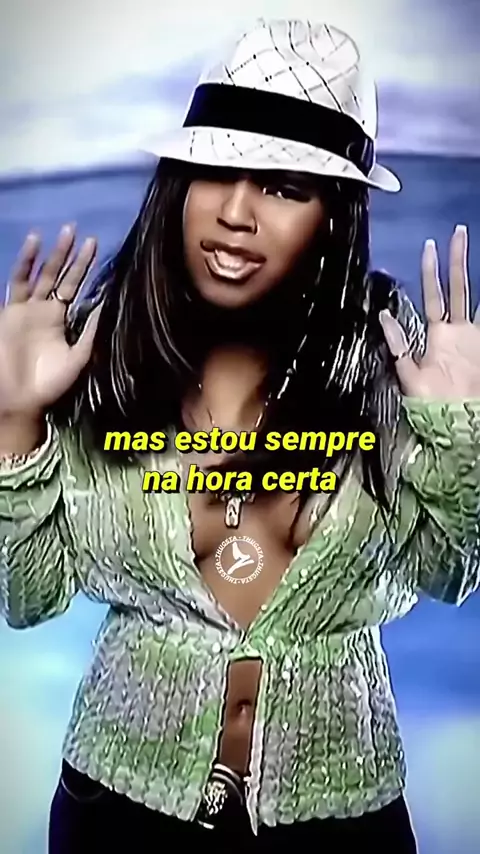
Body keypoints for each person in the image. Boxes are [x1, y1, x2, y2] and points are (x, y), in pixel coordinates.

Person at [0, 16, 479, 854]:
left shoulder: (391, 353)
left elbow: (452, 573)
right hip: (116, 809)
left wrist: (459, 431)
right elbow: (27, 596)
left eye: (284, 187)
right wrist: (14, 420)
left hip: (344, 817)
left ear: (334, 217)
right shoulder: (98, 354)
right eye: (215, 171)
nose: (233, 213)